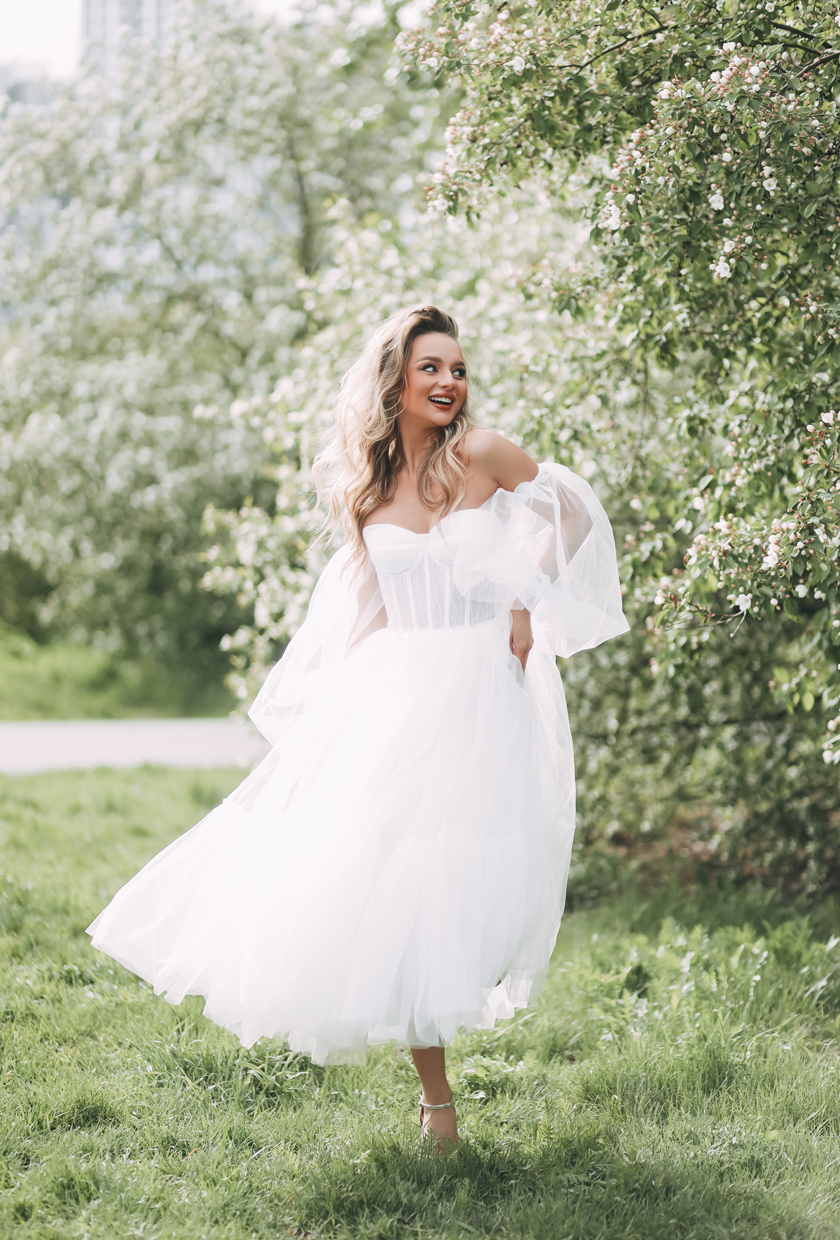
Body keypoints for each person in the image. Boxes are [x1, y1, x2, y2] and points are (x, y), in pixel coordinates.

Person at [87, 305, 629, 1149]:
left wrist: (526, 594)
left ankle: (446, 1061)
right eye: (431, 369)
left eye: (457, 368)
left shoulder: (482, 455)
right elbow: (368, 604)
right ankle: (437, 1105)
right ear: (396, 381)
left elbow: (573, 512)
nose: (449, 382)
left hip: (482, 682)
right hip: (400, 686)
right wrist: (339, 708)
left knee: (461, 879)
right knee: (388, 884)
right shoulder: (368, 488)